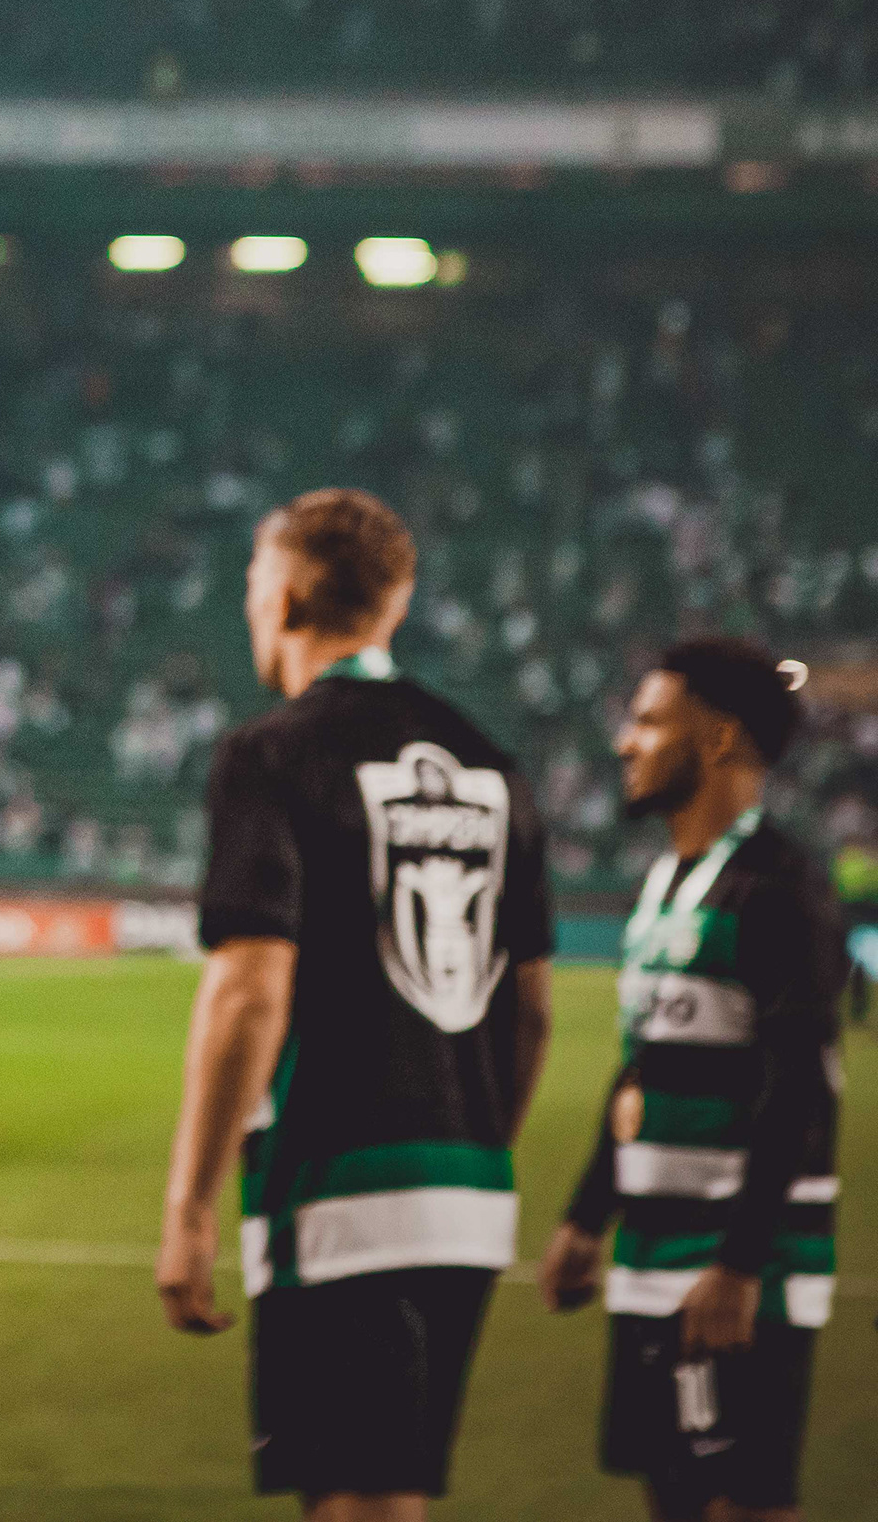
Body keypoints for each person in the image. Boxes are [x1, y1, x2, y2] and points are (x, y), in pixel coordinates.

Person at [157, 487, 557, 1522]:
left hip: (338, 1190)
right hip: (470, 1191)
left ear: (286, 598)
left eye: (255, 583)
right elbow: (532, 1008)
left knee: (356, 1499)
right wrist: (475, 1146)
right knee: (384, 1484)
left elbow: (249, 991)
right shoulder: (491, 760)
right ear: (397, 603)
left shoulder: (272, 753)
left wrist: (191, 1205)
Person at [539, 634, 840, 1522]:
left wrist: (740, 1263)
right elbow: (644, 1067)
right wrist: (589, 1214)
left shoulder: (778, 884)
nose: (624, 741)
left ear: (717, 737)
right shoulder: (668, 882)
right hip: (651, 1263)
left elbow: (800, 1085)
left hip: (735, 1274)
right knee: (672, 1498)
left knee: (740, 1504)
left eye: (647, 721)